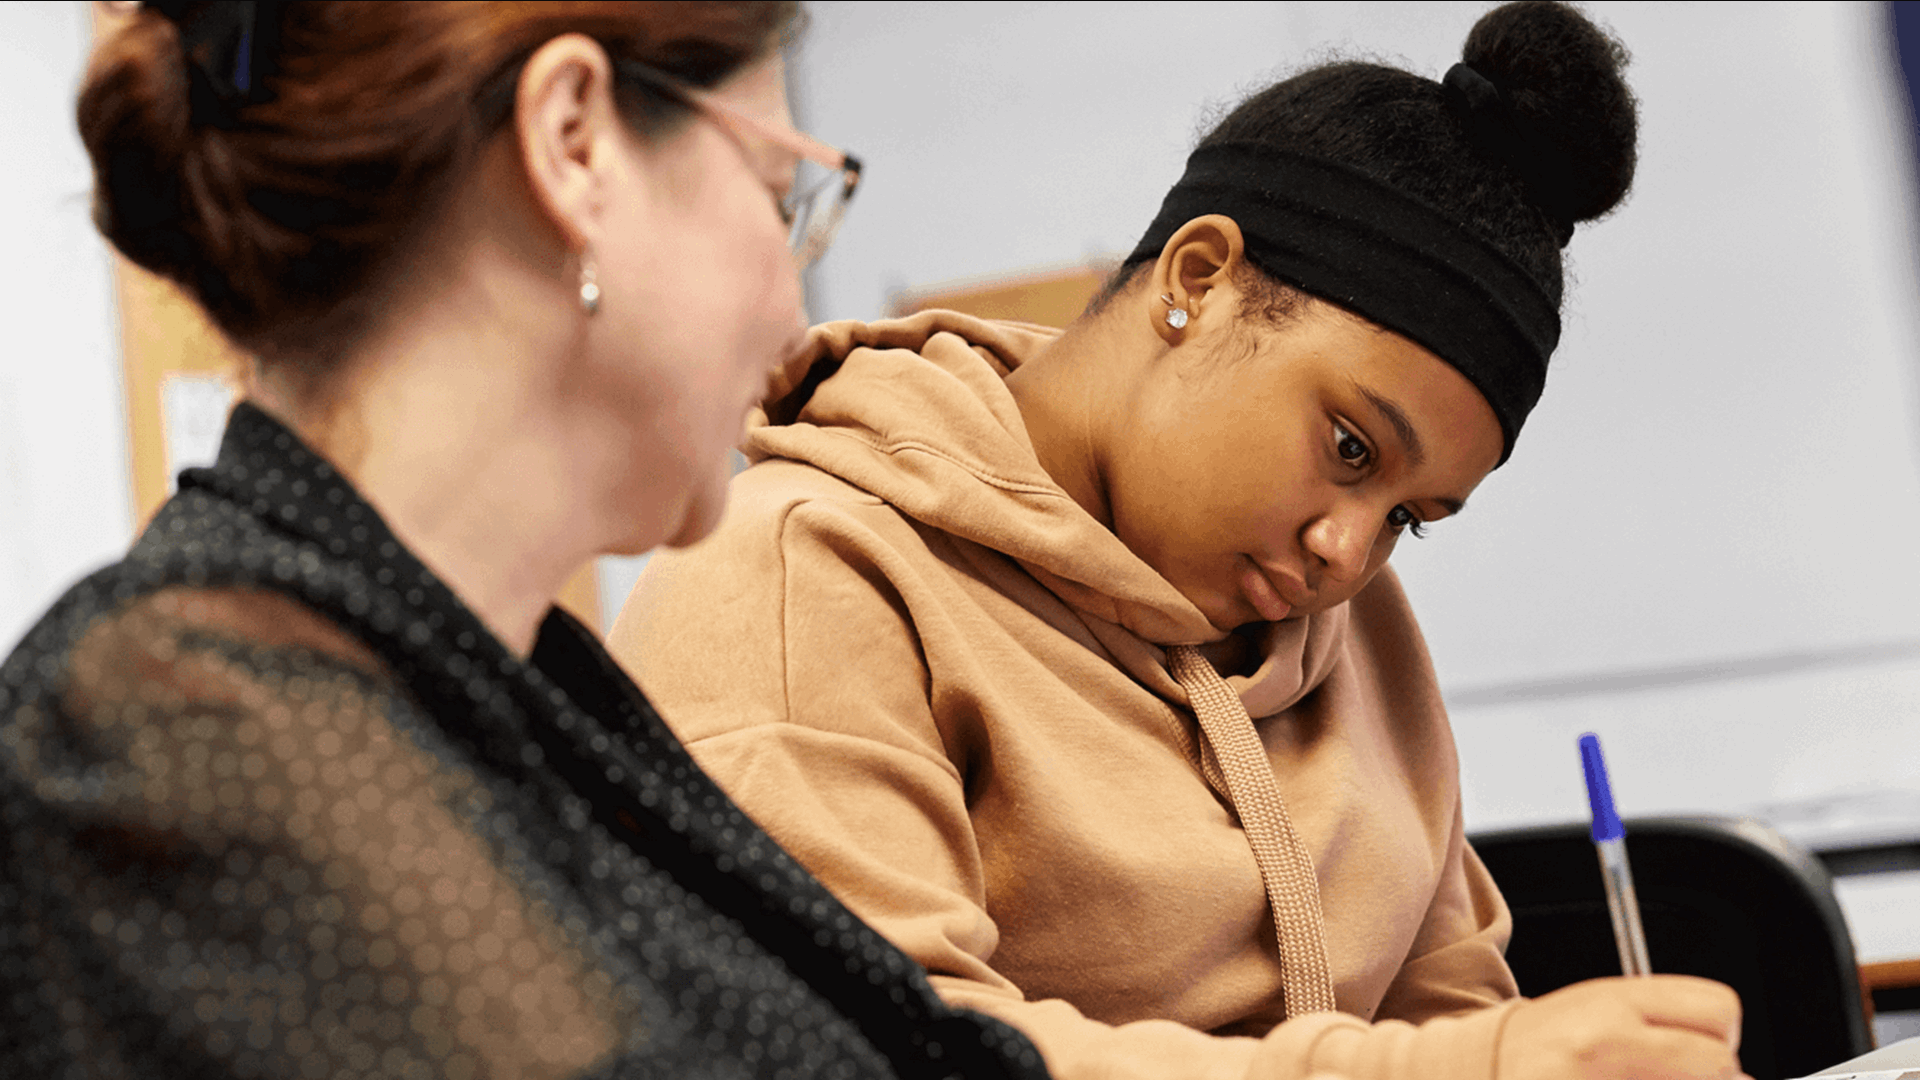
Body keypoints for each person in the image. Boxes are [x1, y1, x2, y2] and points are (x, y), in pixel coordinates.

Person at [608, 3, 1749, 1079]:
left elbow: (1448, 1009)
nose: (1349, 553)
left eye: (1409, 516)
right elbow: (870, 1049)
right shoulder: (805, 574)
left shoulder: (1353, 627)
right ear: (1197, 281)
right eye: (1351, 448)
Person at [0, 2, 1053, 1077]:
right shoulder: (174, 733)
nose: (797, 316)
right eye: (782, 201)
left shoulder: (504, 688)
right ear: (574, 143)